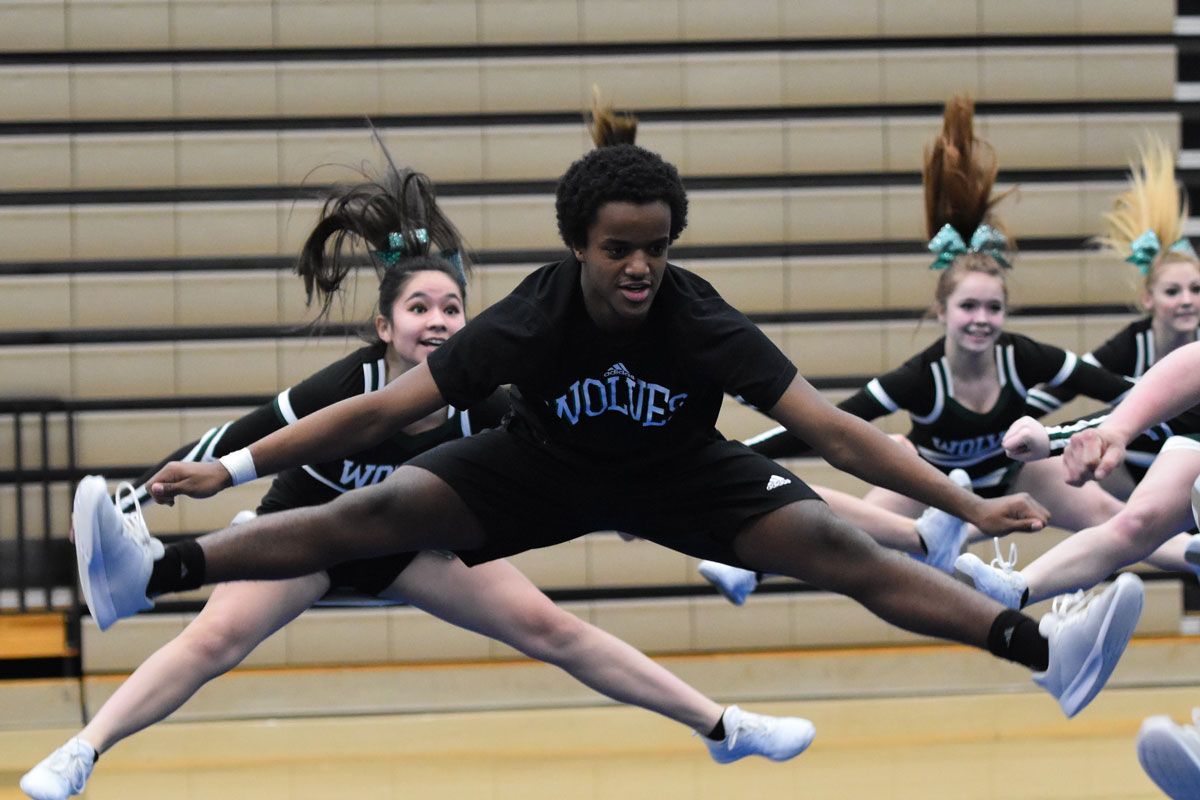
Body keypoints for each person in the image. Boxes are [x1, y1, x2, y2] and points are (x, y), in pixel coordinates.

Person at [73, 111, 1145, 752]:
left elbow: (828, 427)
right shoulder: (533, 312)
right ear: (578, 245)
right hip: (540, 467)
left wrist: (963, 505)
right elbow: (383, 409)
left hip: (682, 473)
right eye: (619, 249)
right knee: (373, 511)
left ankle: (1042, 651)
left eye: (656, 248)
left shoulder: (698, 316)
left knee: (837, 549)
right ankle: (150, 572)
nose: (639, 268)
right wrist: (230, 466)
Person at [20, 153, 815, 800]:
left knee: (554, 630)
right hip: (309, 539)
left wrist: (649, 512)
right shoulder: (350, 387)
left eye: (452, 309)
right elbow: (245, 436)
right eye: (420, 309)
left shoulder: (487, 398)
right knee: (212, 639)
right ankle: (83, 750)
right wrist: (159, 488)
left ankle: (721, 726)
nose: (438, 322)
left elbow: (578, 464)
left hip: (411, 550)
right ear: (384, 326)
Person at [699, 95, 1139, 604]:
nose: (981, 319)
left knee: (1116, 517)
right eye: (968, 306)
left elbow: (1122, 392)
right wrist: (724, 459)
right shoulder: (920, 377)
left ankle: (1186, 542)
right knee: (855, 524)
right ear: (941, 310)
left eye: (993, 308)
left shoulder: (1025, 357)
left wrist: (1182, 405)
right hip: (930, 490)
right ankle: (750, 567)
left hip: (1010, 481)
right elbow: (822, 425)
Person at [956, 137, 1200, 608]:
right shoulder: (1136, 348)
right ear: (1149, 299)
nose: (1187, 301)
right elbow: (1127, 411)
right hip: (1146, 455)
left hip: (1160, 441)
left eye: (1195, 289)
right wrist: (1042, 435)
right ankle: (1017, 587)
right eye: (1174, 291)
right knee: (1129, 521)